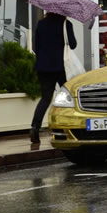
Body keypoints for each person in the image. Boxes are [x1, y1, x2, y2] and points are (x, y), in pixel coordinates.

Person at [31, 11, 76, 144]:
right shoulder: (66, 24)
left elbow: (36, 47)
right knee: (69, 98)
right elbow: (73, 44)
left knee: (45, 98)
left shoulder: (41, 24)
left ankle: (35, 127)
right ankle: (67, 127)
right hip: (61, 67)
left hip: (43, 67)